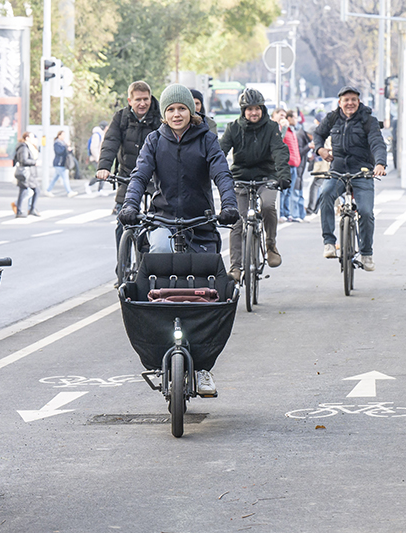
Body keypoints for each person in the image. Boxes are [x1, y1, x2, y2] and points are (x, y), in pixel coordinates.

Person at [117, 84, 239, 396]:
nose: (176, 114)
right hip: (163, 219)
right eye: (170, 109)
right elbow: (140, 176)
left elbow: (222, 174)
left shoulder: (207, 139)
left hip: (201, 222)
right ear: (164, 113)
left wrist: (229, 206)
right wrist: (130, 206)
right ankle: (160, 348)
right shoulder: (154, 141)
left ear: (191, 111)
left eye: (181, 109)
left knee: (210, 289)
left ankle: (204, 367)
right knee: (157, 255)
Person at [312, 85, 387, 271]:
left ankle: (367, 254)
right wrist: (320, 149)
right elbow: (318, 134)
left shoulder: (368, 120)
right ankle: (329, 242)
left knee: (366, 212)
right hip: (337, 171)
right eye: (346, 100)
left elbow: (377, 143)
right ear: (340, 103)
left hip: (362, 172)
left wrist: (379, 164)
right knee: (326, 193)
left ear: (358, 101)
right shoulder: (332, 118)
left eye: (353, 99)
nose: (350, 103)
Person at [219, 88, 290, 283]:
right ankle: (235, 267)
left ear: (262, 109)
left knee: (268, 205)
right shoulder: (233, 128)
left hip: (267, 177)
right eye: (249, 109)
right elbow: (220, 152)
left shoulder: (271, 128)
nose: (253, 113)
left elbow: (280, 152)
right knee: (237, 221)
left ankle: (270, 245)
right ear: (243, 111)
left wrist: (283, 176)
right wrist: (218, 174)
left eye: (257, 108)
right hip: (240, 178)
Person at [96, 81, 162, 239]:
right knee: (122, 218)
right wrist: (103, 167)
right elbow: (110, 142)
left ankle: (149, 257)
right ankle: (123, 263)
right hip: (128, 175)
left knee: (158, 220)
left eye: (146, 99)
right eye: (138, 99)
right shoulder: (121, 117)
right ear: (130, 101)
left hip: (155, 176)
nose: (142, 103)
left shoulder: (159, 118)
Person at [277, 110, 302, 222]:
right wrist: (283, 127)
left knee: (290, 191)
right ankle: (281, 213)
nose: (297, 120)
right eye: (295, 118)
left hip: (294, 165)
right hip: (286, 165)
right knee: (283, 191)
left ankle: (288, 213)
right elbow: (279, 143)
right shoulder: (283, 130)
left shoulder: (292, 131)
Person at [13, 131, 40, 218]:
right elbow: (23, 160)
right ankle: (23, 210)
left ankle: (27, 209)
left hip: (29, 173)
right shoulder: (24, 147)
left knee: (26, 191)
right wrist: (34, 162)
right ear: (27, 138)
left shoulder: (29, 147)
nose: (34, 139)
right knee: (28, 191)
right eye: (32, 137)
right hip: (26, 173)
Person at [44, 130, 78, 197]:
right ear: (59, 135)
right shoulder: (57, 143)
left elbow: (67, 152)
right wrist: (66, 147)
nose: (64, 136)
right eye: (63, 135)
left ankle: (48, 190)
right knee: (65, 178)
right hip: (59, 163)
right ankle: (69, 191)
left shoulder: (63, 143)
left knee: (55, 178)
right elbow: (59, 152)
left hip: (62, 163)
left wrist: (69, 149)